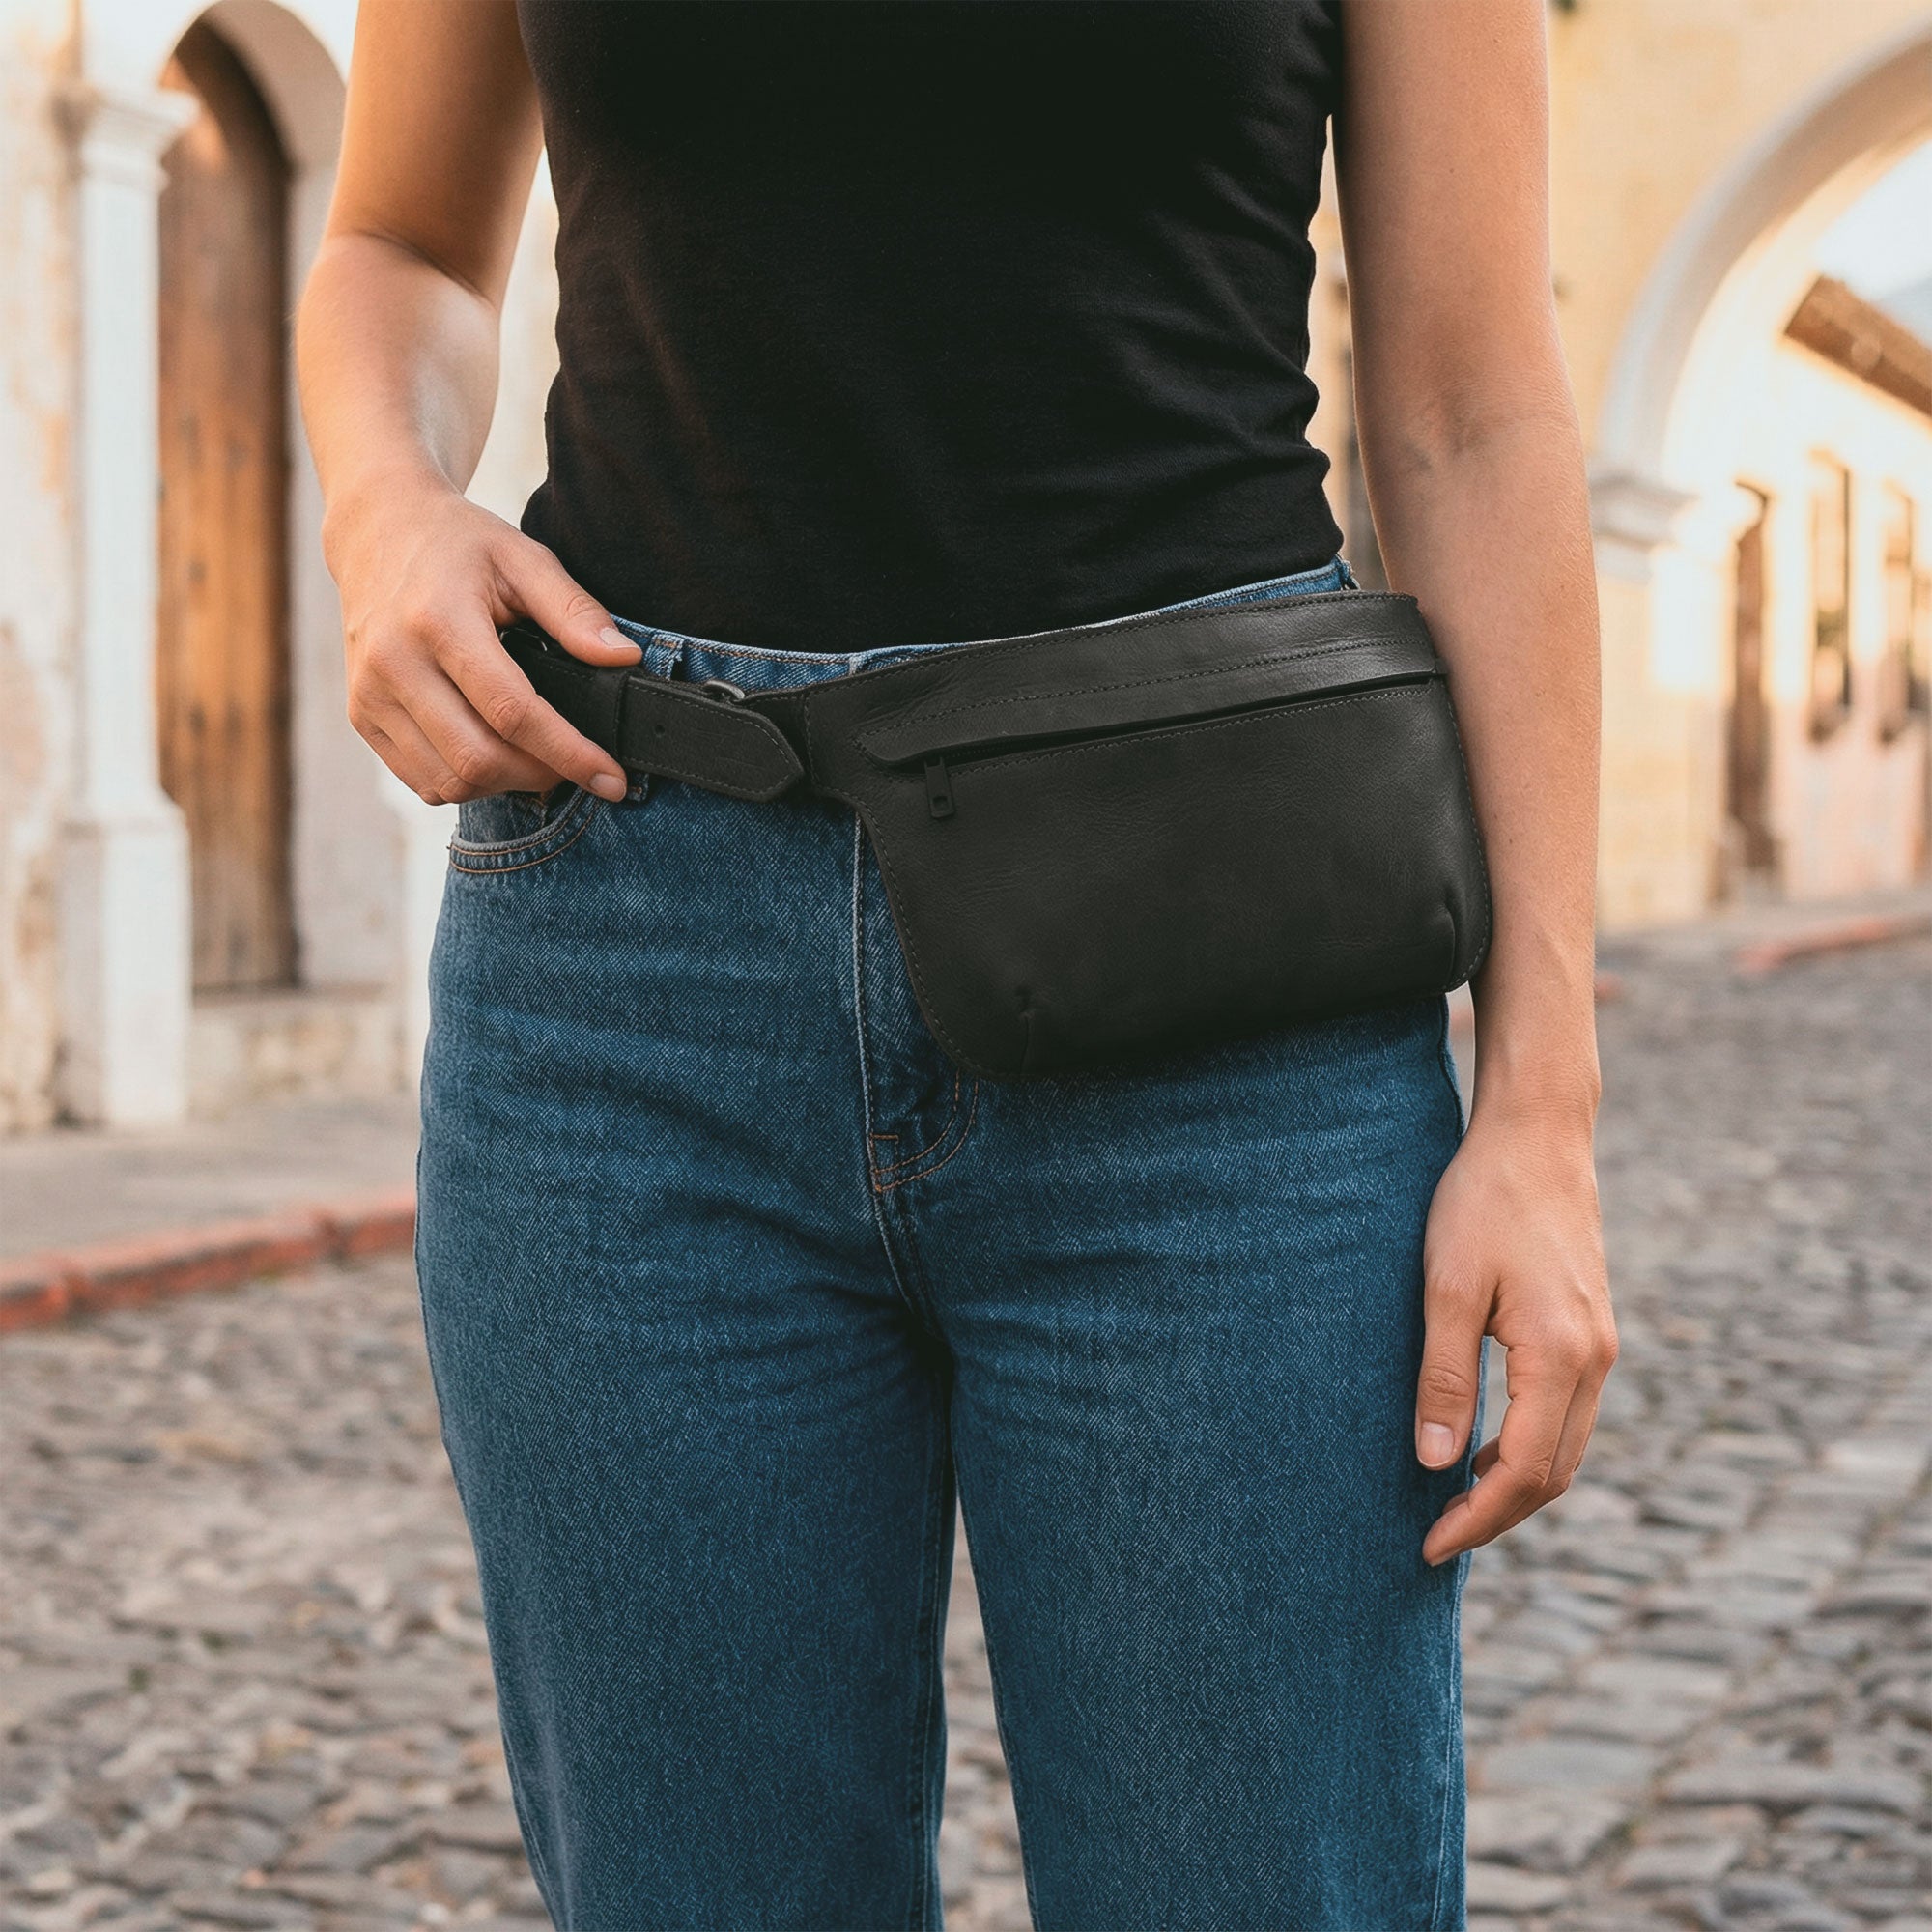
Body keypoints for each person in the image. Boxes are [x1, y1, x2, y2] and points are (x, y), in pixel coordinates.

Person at [296, 4, 1617, 1926]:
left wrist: (1542, 1097)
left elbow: (1471, 416)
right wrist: (384, 506)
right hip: (628, 959)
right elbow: (397, 245)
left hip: (1222, 990)